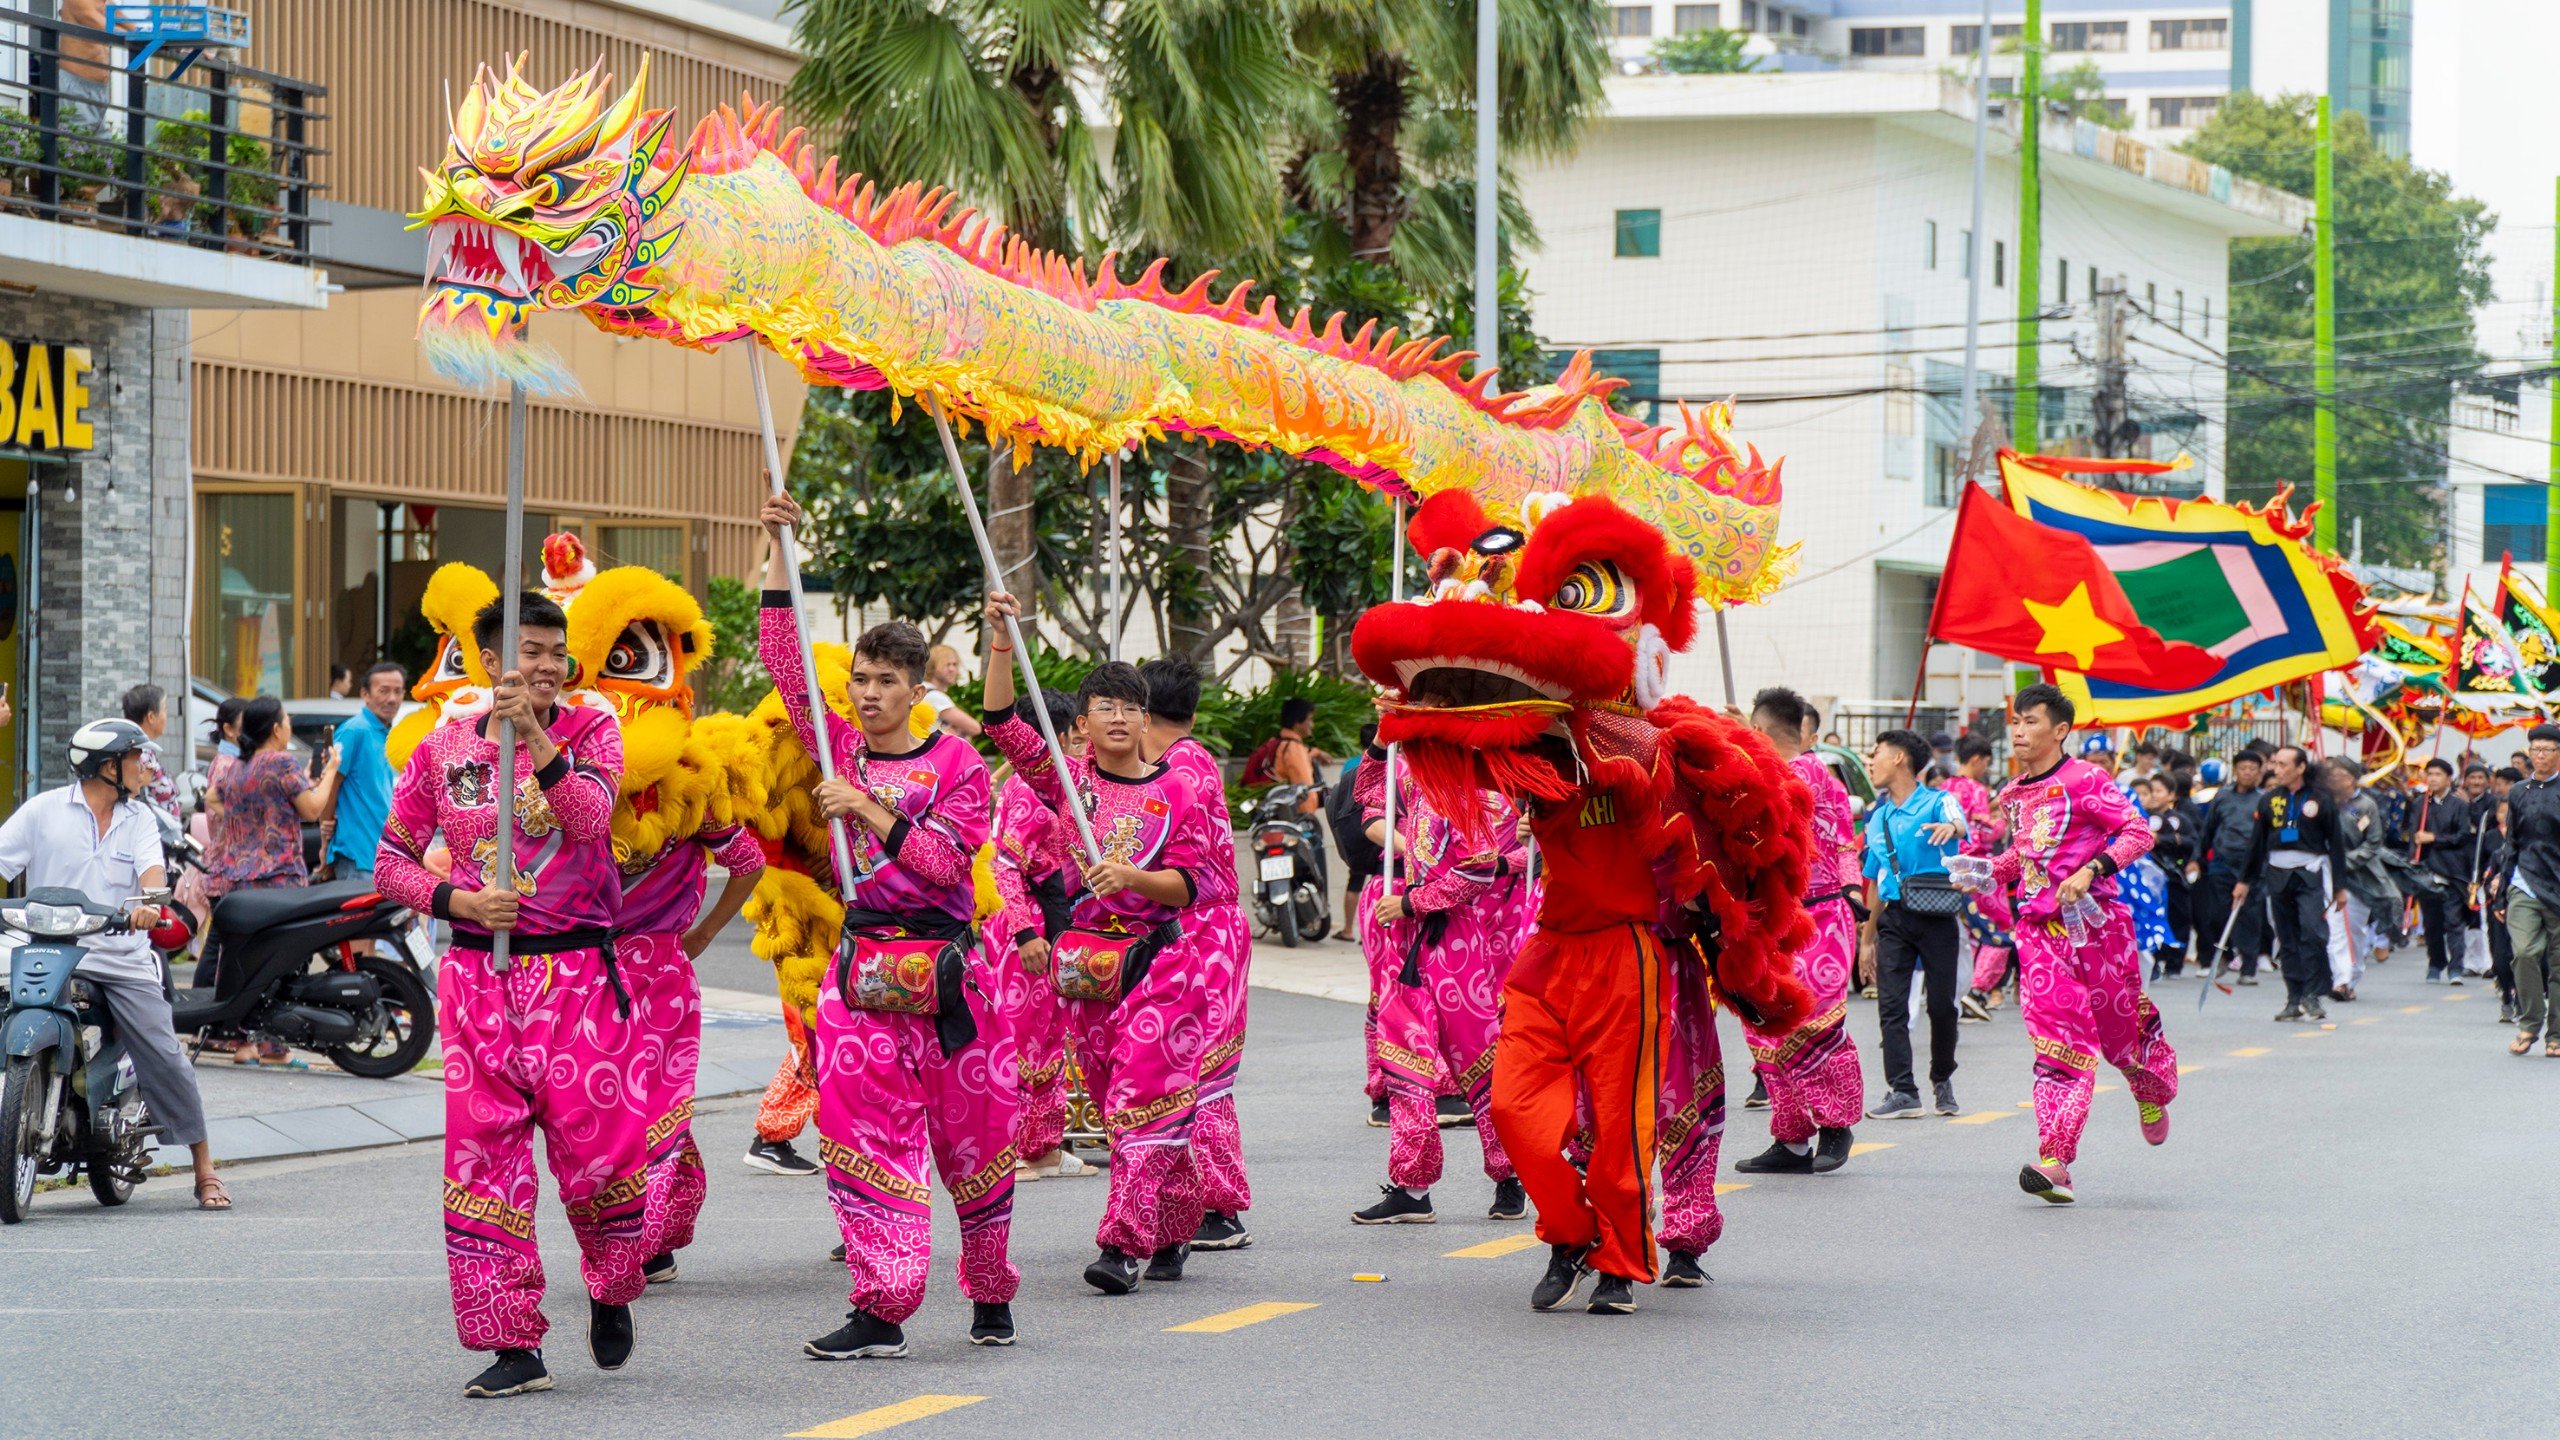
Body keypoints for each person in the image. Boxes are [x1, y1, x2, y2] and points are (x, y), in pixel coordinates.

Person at [758, 496, 1015, 1357]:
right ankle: (881, 1306)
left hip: (950, 982)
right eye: (860, 682)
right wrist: (775, 547)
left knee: (972, 1148)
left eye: (885, 684)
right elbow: (786, 667)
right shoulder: (837, 748)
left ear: (916, 690)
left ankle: (989, 1290)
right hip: (861, 977)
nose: (867, 697)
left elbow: (945, 865)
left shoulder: (958, 765)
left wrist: (866, 809)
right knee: (862, 1142)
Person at [376, 591, 644, 1398]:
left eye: (557, 654)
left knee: (597, 1159)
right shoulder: (442, 747)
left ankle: (610, 1280)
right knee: (483, 1160)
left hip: (577, 978)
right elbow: (391, 859)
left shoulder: (594, 729)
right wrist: (458, 903)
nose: (548, 667)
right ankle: (511, 1342)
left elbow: (591, 819)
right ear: (490, 660)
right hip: (478, 979)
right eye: (530, 652)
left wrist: (533, 732)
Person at [982, 590, 1223, 1298]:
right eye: (1104, 708)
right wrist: (1002, 638)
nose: (1118, 718)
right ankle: (1175, 1220)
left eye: (1130, 707)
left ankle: (1119, 1246)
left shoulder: (1180, 790)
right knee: (1122, 1107)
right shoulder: (1064, 784)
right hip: (1086, 969)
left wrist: (1134, 878)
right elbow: (1000, 722)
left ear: (1146, 721)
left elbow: (1194, 884)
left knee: (1139, 1100)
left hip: (1162, 964)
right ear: (1081, 725)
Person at [1957, 684, 2175, 1205]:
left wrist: (2093, 868)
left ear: (2059, 730)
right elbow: (2025, 861)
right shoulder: (2014, 793)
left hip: (2100, 930)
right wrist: (1985, 872)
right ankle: (2055, 1160)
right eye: (2015, 721)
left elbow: (2138, 833)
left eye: (2030, 722)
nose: (2018, 731)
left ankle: (2149, 1087)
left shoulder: (2087, 779)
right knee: (2061, 1042)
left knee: (2120, 1039)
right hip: (2040, 935)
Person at [0, 719, 226, 1209]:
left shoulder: (139, 819)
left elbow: (150, 872)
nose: (145, 767)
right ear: (109, 767)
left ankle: (204, 1166)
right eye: (136, 758)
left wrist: (145, 904)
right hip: (50, 948)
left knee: (165, 1054)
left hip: (120, 957)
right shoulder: (43, 812)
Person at [1347, 755, 1531, 1229]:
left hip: (1455, 945)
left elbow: (1478, 871)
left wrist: (1411, 901)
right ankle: (1412, 1187)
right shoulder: (1415, 781)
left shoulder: (1467, 791)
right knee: (1402, 1061)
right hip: (1406, 944)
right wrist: (1379, 740)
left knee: (1480, 1065)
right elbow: (1369, 795)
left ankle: (1510, 1173)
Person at [1139, 653, 1259, 1254]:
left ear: (1144, 707)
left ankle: (1219, 1204)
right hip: (1203, 924)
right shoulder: (1187, 756)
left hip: (1202, 927)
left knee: (1201, 1069)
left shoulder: (1177, 766)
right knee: (1188, 1066)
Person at [1731, 688, 1866, 1186]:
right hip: (1774, 920)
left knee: (1813, 1023)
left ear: (1762, 731)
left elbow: (1766, 794)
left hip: (1817, 917)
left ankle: (1836, 1126)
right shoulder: (1784, 769)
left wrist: (1735, 748)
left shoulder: (1806, 771)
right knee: (1765, 1026)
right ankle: (1790, 1137)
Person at [989, 689, 1091, 1184]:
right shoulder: (1030, 790)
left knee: (1048, 1037)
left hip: (1047, 924)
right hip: (1025, 932)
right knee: (1028, 1044)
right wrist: (1025, 932)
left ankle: (1040, 1146)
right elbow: (1005, 866)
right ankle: (1025, 1149)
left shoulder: (1059, 783)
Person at [201, 698, 342, 1029]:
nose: (289, 727)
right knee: (278, 960)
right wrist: (332, 769)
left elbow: (210, 798)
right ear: (277, 729)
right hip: (278, 879)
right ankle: (270, 1039)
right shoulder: (281, 763)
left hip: (238, 880)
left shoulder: (238, 765)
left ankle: (232, 1033)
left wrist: (247, 821)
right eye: (287, 721)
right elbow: (311, 810)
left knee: (241, 959)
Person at [1861, 728, 1968, 1120]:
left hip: (1938, 915)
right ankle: (1903, 1090)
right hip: (1893, 919)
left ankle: (1942, 1078)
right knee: (1891, 1007)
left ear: (1899, 758)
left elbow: (1958, 822)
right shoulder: (1878, 818)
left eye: (1877, 752)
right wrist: (1867, 940)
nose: (1871, 761)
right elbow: (1873, 884)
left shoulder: (1939, 801)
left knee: (1942, 1007)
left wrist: (1952, 829)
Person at [2233, 745, 2350, 1024]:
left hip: (2310, 873)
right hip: (2277, 873)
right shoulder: (2269, 800)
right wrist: (2244, 880)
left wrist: (2340, 886)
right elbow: (2256, 844)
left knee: (2312, 932)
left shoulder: (2321, 800)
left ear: (2300, 768)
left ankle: (2314, 993)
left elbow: (2336, 845)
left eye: (2284, 764)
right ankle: (2294, 997)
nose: (2277, 769)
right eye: (2276, 764)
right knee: (2286, 938)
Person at [2501, 725, 2560, 1057]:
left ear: (2558, 754)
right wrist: (2500, 886)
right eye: (2535, 749)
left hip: (2558, 886)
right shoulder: (2518, 791)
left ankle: (2557, 1035)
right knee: (2523, 952)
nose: (2540, 755)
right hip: (2524, 883)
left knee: (2559, 963)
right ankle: (2529, 1024)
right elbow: (2512, 841)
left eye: (2547, 749)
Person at [326, 663, 405, 884]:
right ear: (365, 694)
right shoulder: (355, 730)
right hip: (357, 859)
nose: (392, 699)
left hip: (382, 857)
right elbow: (330, 784)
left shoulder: (387, 732)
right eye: (384, 690)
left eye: (398, 691)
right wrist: (326, 836)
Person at [2193, 749, 2267, 983]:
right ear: (2235, 770)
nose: (2247, 773)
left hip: (2252, 866)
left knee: (2250, 917)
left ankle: (2248, 968)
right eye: (2243, 768)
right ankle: (2224, 955)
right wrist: (2198, 857)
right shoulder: (2222, 797)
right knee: (2216, 913)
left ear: (2259, 772)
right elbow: (2208, 829)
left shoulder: (2264, 799)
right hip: (2222, 863)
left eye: (2252, 769)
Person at [2409, 757, 2474, 983]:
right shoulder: (2420, 804)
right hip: (2427, 871)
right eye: (2430, 774)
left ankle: (2456, 967)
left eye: (2438, 774)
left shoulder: (2459, 805)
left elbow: (2463, 836)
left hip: (2452, 870)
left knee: (2454, 921)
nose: (2433, 778)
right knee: (2432, 922)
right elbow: (2414, 836)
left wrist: (2434, 838)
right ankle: (2436, 963)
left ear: (2449, 778)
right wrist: (2412, 861)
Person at [2140, 774, 2199, 978]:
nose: (2154, 796)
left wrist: (2165, 839)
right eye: (2150, 791)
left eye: (2158, 791)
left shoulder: (2179, 819)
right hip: (2147, 878)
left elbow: (2193, 842)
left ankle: (2175, 963)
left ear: (2171, 794)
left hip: (2173, 875)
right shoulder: (2139, 816)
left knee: (2178, 918)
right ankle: (2154, 962)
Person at [121, 684, 181, 826]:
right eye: (165, 710)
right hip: (156, 834)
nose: (167, 716)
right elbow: (135, 795)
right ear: (151, 717)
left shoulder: (141, 749)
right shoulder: (142, 754)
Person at [922, 643, 983, 740]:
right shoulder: (934, 696)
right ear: (932, 667)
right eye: (947, 665)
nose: (952, 669)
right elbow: (975, 728)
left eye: (955, 664)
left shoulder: (923, 690)